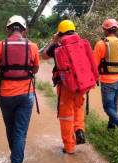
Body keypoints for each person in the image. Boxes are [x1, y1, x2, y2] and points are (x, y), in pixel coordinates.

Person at [0, 15, 40, 163]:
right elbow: (35, 69)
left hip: (5, 96)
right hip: (26, 95)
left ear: (9, 29)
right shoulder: (33, 46)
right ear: (24, 30)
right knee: (20, 133)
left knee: (11, 130)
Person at [42, 20, 98, 154]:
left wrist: (53, 41)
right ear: (74, 30)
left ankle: (69, 147)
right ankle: (79, 130)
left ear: (60, 32)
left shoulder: (57, 46)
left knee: (66, 115)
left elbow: (43, 55)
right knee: (78, 107)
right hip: (82, 85)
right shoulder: (82, 43)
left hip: (65, 86)